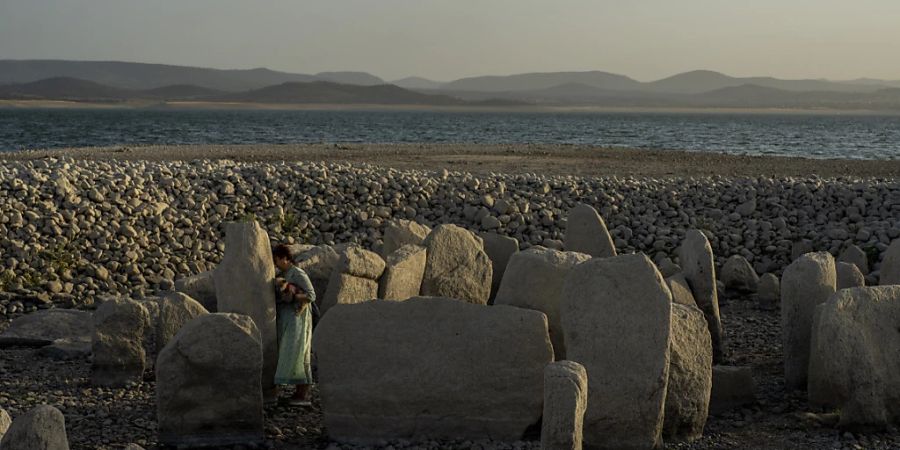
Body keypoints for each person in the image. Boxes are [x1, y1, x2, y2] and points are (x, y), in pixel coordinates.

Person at [272, 244, 316, 406]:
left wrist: (292, 294)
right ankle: (295, 393)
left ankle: (302, 394)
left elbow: (311, 295)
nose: (276, 264)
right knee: (288, 352)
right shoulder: (283, 274)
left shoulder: (297, 273)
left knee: (299, 351)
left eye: (277, 260)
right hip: (287, 319)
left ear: (285, 258)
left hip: (298, 318)